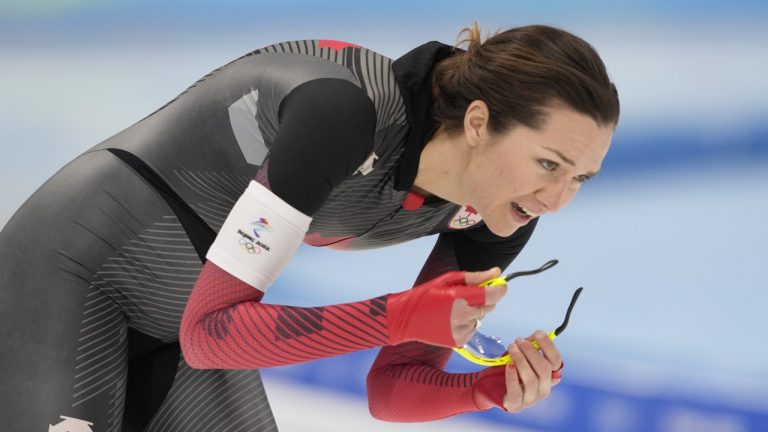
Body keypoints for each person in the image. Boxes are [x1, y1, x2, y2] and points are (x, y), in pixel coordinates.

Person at [0, 22, 619, 431]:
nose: (557, 200)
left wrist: (486, 391)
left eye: (580, 178)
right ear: (479, 122)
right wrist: (402, 312)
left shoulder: (500, 212)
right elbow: (211, 334)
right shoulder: (342, 114)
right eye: (548, 164)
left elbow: (392, 389)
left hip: (183, 327)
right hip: (71, 274)